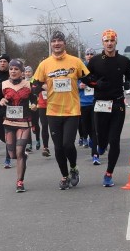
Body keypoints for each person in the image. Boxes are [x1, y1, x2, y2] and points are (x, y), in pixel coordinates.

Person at [31, 30, 90, 190]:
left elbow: (89, 79)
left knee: (68, 145)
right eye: (54, 41)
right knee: (58, 148)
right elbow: (34, 83)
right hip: (53, 111)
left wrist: (98, 84)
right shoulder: (44, 64)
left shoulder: (76, 62)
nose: (56, 43)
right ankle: (64, 176)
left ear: (64, 43)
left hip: (72, 110)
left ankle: (73, 168)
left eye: (59, 41)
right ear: (51, 44)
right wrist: (35, 91)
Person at [85, 28, 130, 187]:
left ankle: (109, 173)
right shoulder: (95, 61)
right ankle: (101, 145)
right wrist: (95, 83)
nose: (109, 43)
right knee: (102, 138)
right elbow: (85, 78)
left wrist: (128, 84)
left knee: (115, 140)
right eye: (106, 41)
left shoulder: (124, 61)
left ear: (116, 42)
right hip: (100, 104)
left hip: (118, 103)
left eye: (112, 40)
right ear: (102, 43)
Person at [0, 59, 36, 192]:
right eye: (11, 69)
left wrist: (34, 105)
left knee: (19, 151)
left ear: (21, 72)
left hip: (24, 122)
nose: (13, 71)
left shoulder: (29, 85)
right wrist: (0, 101)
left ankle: (20, 182)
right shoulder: (3, 84)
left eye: (16, 69)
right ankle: (22, 157)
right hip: (9, 122)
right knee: (12, 154)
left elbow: (34, 100)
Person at [77, 48, 96, 151]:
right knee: (85, 123)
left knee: (96, 124)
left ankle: (96, 141)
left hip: (95, 101)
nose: (89, 56)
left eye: (91, 54)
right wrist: (79, 85)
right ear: (85, 56)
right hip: (83, 101)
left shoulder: (98, 67)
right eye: (87, 54)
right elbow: (73, 82)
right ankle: (85, 137)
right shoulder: (81, 68)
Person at [23, 65, 35, 153]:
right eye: (26, 72)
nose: (27, 73)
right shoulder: (22, 81)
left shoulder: (35, 80)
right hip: (25, 106)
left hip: (33, 105)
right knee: (27, 125)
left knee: (32, 123)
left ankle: (35, 130)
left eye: (29, 71)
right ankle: (29, 144)